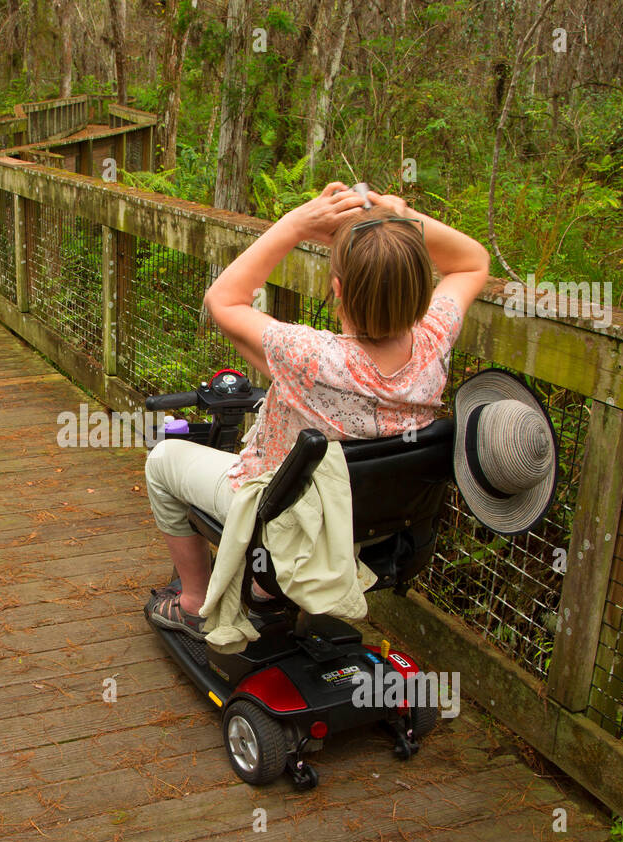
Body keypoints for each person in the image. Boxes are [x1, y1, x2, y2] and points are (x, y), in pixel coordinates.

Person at [145, 182, 491, 639]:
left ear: (339, 290)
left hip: (287, 516)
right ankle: (269, 591)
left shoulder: (309, 356)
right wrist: (398, 218)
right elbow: (471, 261)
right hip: (373, 527)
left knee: (162, 462)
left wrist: (293, 225)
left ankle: (192, 603)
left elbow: (222, 299)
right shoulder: (435, 342)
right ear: (422, 293)